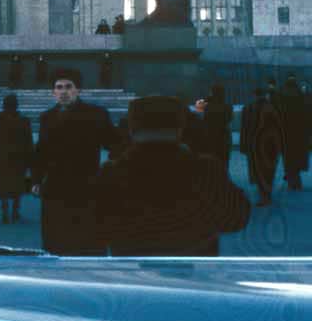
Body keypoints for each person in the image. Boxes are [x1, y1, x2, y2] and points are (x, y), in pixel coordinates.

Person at [97, 96, 251, 256]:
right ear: (181, 127)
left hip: (132, 265)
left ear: (131, 128)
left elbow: (98, 226)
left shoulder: (112, 173)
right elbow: (235, 219)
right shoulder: (206, 169)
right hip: (196, 264)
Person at [31, 68, 121, 255]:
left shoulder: (95, 114)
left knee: (86, 241)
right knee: (56, 242)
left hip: (85, 186)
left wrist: (111, 170)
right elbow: (41, 152)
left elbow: (115, 144)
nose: (63, 92)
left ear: (78, 90)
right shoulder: (47, 117)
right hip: (55, 188)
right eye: (59, 87)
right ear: (53, 92)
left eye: (68, 87)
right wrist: (36, 180)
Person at [0, 95, 34, 224]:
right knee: (18, 184)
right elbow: (28, 142)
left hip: (1, 158)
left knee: (3, 185)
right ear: (16, 105)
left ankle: (5, 210)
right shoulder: (24, 121)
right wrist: (30, 159)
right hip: (19, 158)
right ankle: (15, 211)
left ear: (4, 105)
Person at [241, 88, 283, 206]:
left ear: (254, 94)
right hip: (270, 143)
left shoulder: (249, 108)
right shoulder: (272, 107)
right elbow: (279, 127)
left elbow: (245, 128)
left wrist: (244, 144)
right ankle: (266, 194)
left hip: (254, 144)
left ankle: (264, 195)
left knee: (258, 169)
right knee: (268, 170)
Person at [279, 73, 309, 190]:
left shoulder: (282, 95)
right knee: (297, 156)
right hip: (299, 133)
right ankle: (295, 179)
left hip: (286, 132)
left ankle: (291, 178)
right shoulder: (301, 96)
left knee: (288, 157)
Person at [199, 83, 233, 171]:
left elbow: (203, 115)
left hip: (210, 137)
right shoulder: (227, 106)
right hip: (223, 138)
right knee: (223, 163)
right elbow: (229, 119)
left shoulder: (208, 106)